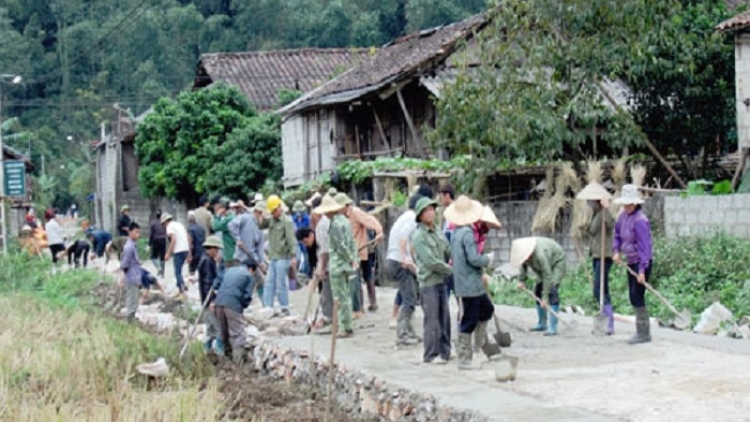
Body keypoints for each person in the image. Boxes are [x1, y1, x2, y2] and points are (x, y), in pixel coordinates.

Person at [446, 195, 493, 370]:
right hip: (469, 284)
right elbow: (473, 258)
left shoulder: (457, 233)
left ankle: (478, 347)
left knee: (486, 310)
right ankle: (465, 358)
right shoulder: (467, 233)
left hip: (467, 282)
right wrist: (487, 260)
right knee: (469, 320)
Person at [412, 197, 453, 364]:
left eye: (432, 209)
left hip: (441, 280)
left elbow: (447, 250)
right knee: (431, 319)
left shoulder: (437, 231)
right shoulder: (419, 236)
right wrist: (450, 269)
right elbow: (430, 261)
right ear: (420, 215)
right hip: (428, 282)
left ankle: (445, 351)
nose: (430, 213)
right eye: (426, 210)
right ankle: (430, 354)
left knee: (445, 317)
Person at [613, 184, 653, 345]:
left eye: (629, 204)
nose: (627, 206)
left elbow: (645, 247)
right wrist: (616, 251)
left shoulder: (641, 221)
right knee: (632, 296)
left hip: (642, 262)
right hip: (630, 261)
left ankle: (643, 333)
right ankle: (642, 331)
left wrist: (642, 270)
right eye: (625, 204)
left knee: (637, 296)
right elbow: (617, 235)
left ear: (635, 204)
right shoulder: (622, 217)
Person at [314, 194, 356, 338]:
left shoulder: (335, 224)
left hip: (338, 264)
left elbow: (341, 246)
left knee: (338, 298)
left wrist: (351, 259)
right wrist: (352, 258)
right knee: (346, 296)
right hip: (345, 264)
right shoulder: (345, 221)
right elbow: (351, 243)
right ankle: (348, 324)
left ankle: (343, 327)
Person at [337, 192, 384, 315]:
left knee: (367, 277)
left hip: (363, 249)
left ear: (345, 205)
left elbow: (370, 220)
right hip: (352, 253)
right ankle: (359, 307)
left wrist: (378, 231)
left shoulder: (356, 212)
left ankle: (372, 303)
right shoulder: (340, 217)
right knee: (355, 280)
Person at [510, 237, 566, 336]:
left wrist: (545, 298)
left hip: (557, 262)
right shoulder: (525, 255)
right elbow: (523, 266)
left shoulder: (540, 255)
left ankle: (553, 327)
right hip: (546, 267)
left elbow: (547, 275)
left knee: (552, 291)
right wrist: (521, 280)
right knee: (538, 291)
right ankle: (542, 323)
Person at [386, 194, 420, 342]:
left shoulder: (405, 216)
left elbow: (410, 243)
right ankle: (403, 334)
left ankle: (409, 331)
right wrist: (405, 258)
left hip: (394, 259)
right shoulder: (413, 219)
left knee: (409, 296)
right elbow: (403, 238)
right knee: (409, 299)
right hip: (399, 261)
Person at [258, 195, 297, 317]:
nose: (274, 213)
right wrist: (263, 216)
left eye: (275, 210)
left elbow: (291, 240)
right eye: (272, 211)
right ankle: (268, 306)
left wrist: (293, 256)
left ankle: (284, 307)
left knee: (281, 283)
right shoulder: (271, 220)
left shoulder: (286, 221)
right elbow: (260, 225)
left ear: (280, 207)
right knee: (269, 282)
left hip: (282, 256)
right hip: (273, 256)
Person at [212, 257, 257, 362]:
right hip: (233, 304)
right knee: (237, 334)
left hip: (218, 303)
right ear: (252, 269)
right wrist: (241, 307)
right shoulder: (249, 276)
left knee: (223, 333)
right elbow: (247, 296)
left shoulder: (230, 270)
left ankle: (225, 359)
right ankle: (238, 363)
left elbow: (216, 283)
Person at [588, 192, 615, 335]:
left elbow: (611, 224)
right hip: (597, 255)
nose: (590, 203)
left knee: (600, 289)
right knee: (599, 289)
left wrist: (606, 209)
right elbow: (591, 231)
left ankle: (609, 323)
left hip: (605, 255)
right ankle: (604, 319)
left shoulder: (604, 213)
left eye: (592, 201)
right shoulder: (595, 214)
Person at [198, 236, 223, 354]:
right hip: (208, 300)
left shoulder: (206, 260)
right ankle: (219, 352)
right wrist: (212, 300)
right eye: (216, 249)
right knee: (218, 327)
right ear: (211, 248)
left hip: (205, 299)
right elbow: (208, 283)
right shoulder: (207, 262)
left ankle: (207, 350)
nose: (217, 252)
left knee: (210, 327)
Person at [312, 195, 334, 330]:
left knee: (327, 292)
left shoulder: (322, 225)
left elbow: (325, 250)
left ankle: (329, 319)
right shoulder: (333, 221)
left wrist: (321, 267)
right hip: (337, 263)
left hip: (330, 264)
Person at [229, 200, 264, 269]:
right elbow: (231, 225)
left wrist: (261, 262)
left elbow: (260, 248)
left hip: (252, 260)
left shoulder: (261, 228)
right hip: (241, 258)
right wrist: (237, 239)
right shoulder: (246, 217)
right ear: (259, 212)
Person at [162, 213, 191, 297]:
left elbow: (173, 240)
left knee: (177, 272)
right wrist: (189, 252)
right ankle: (182, 286)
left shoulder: (169, 227)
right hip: (185, 249)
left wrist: (168, 253)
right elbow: (188, 237)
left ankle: (181, 290)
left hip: (178, 250)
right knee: (180, 271)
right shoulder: (179, 225)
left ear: (165, 222)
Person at [120, 222, 142, 322]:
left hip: (135, 277)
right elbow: (125, 264)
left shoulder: (133, 245)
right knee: (132, 300)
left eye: (139, 232)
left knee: (134, 300)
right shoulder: (129, 247)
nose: (138, 235)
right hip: (131, 277)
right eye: (136, 232)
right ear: (130, 232)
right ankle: (129, 320)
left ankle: (131, 319)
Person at [187, 210, 206, 276]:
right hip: (202, 251)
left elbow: (190, 241)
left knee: (192, 271)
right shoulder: (201, 228)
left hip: (194, 252)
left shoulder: (190, 229)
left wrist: (189, 255)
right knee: (201, 271)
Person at [149, 210, 167, 277]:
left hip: (155, 240)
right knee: (162, 258)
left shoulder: (153, 223)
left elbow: (151, 234)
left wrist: (149, 243)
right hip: (163, 240)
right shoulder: (164, 223)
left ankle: (158, 268)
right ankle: (162, 274)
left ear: (156, 216)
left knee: (153, 257)